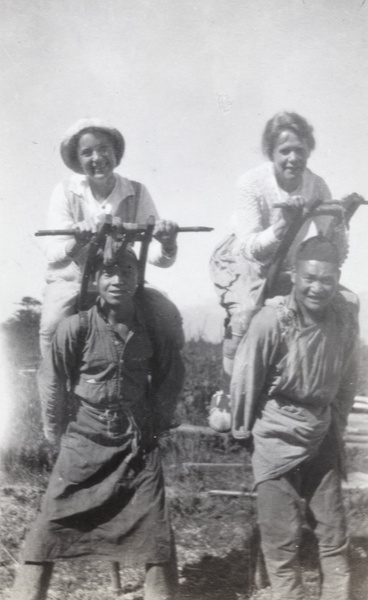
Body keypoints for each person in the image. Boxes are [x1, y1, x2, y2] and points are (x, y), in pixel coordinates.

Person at [11, 246, 185, 600]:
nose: (118, 280)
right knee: (50, 523)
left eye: (127, 271)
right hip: (84, 439)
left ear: (138, 277)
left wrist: (158, 419)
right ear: (94, 279)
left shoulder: (151, 327)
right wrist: (53, 430)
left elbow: (171, 373)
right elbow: (52, 379)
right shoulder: (76, 327)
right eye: (108, 272)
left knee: (155, 530)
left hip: (137, 442)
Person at [231, 235, 359, 600]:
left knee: (333, 533)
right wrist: (244, 431)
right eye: (309, 278)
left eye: (327, 280)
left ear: (337, 279)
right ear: (294, 275)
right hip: (274, 434)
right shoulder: (273, 321)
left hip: (321, 431)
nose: (317, 288)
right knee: (281, 538)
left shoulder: (345, 320)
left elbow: (348, 378)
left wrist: (336, 424)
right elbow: (246, 377)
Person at [209, 111, 362, 375]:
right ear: (271, 153)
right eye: (285, 151)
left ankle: (321, 384)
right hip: (242, 262)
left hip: (287, 263)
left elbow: (328, 250)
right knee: (246, 317)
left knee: (345, 303)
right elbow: (250, 249)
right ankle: (230, 391)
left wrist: (342, 219)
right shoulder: (251, 182)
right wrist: (282, 225)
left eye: (300, 151)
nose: (294, 159)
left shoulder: (316, 185)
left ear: (308, 152)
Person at [40, 118, 179, 357]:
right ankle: (54, 388)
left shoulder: (137, 191)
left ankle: (161, 385)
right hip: (72, 279)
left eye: (104, 148)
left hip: (122, 277)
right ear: (77, 159)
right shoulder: (65, 192)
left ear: (116, 151)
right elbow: (54, 256)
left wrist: (167, 243)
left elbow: (158, 258)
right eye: (87, 152)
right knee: (53, 325)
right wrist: (77, 241)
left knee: (167, 316)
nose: (97, 158)